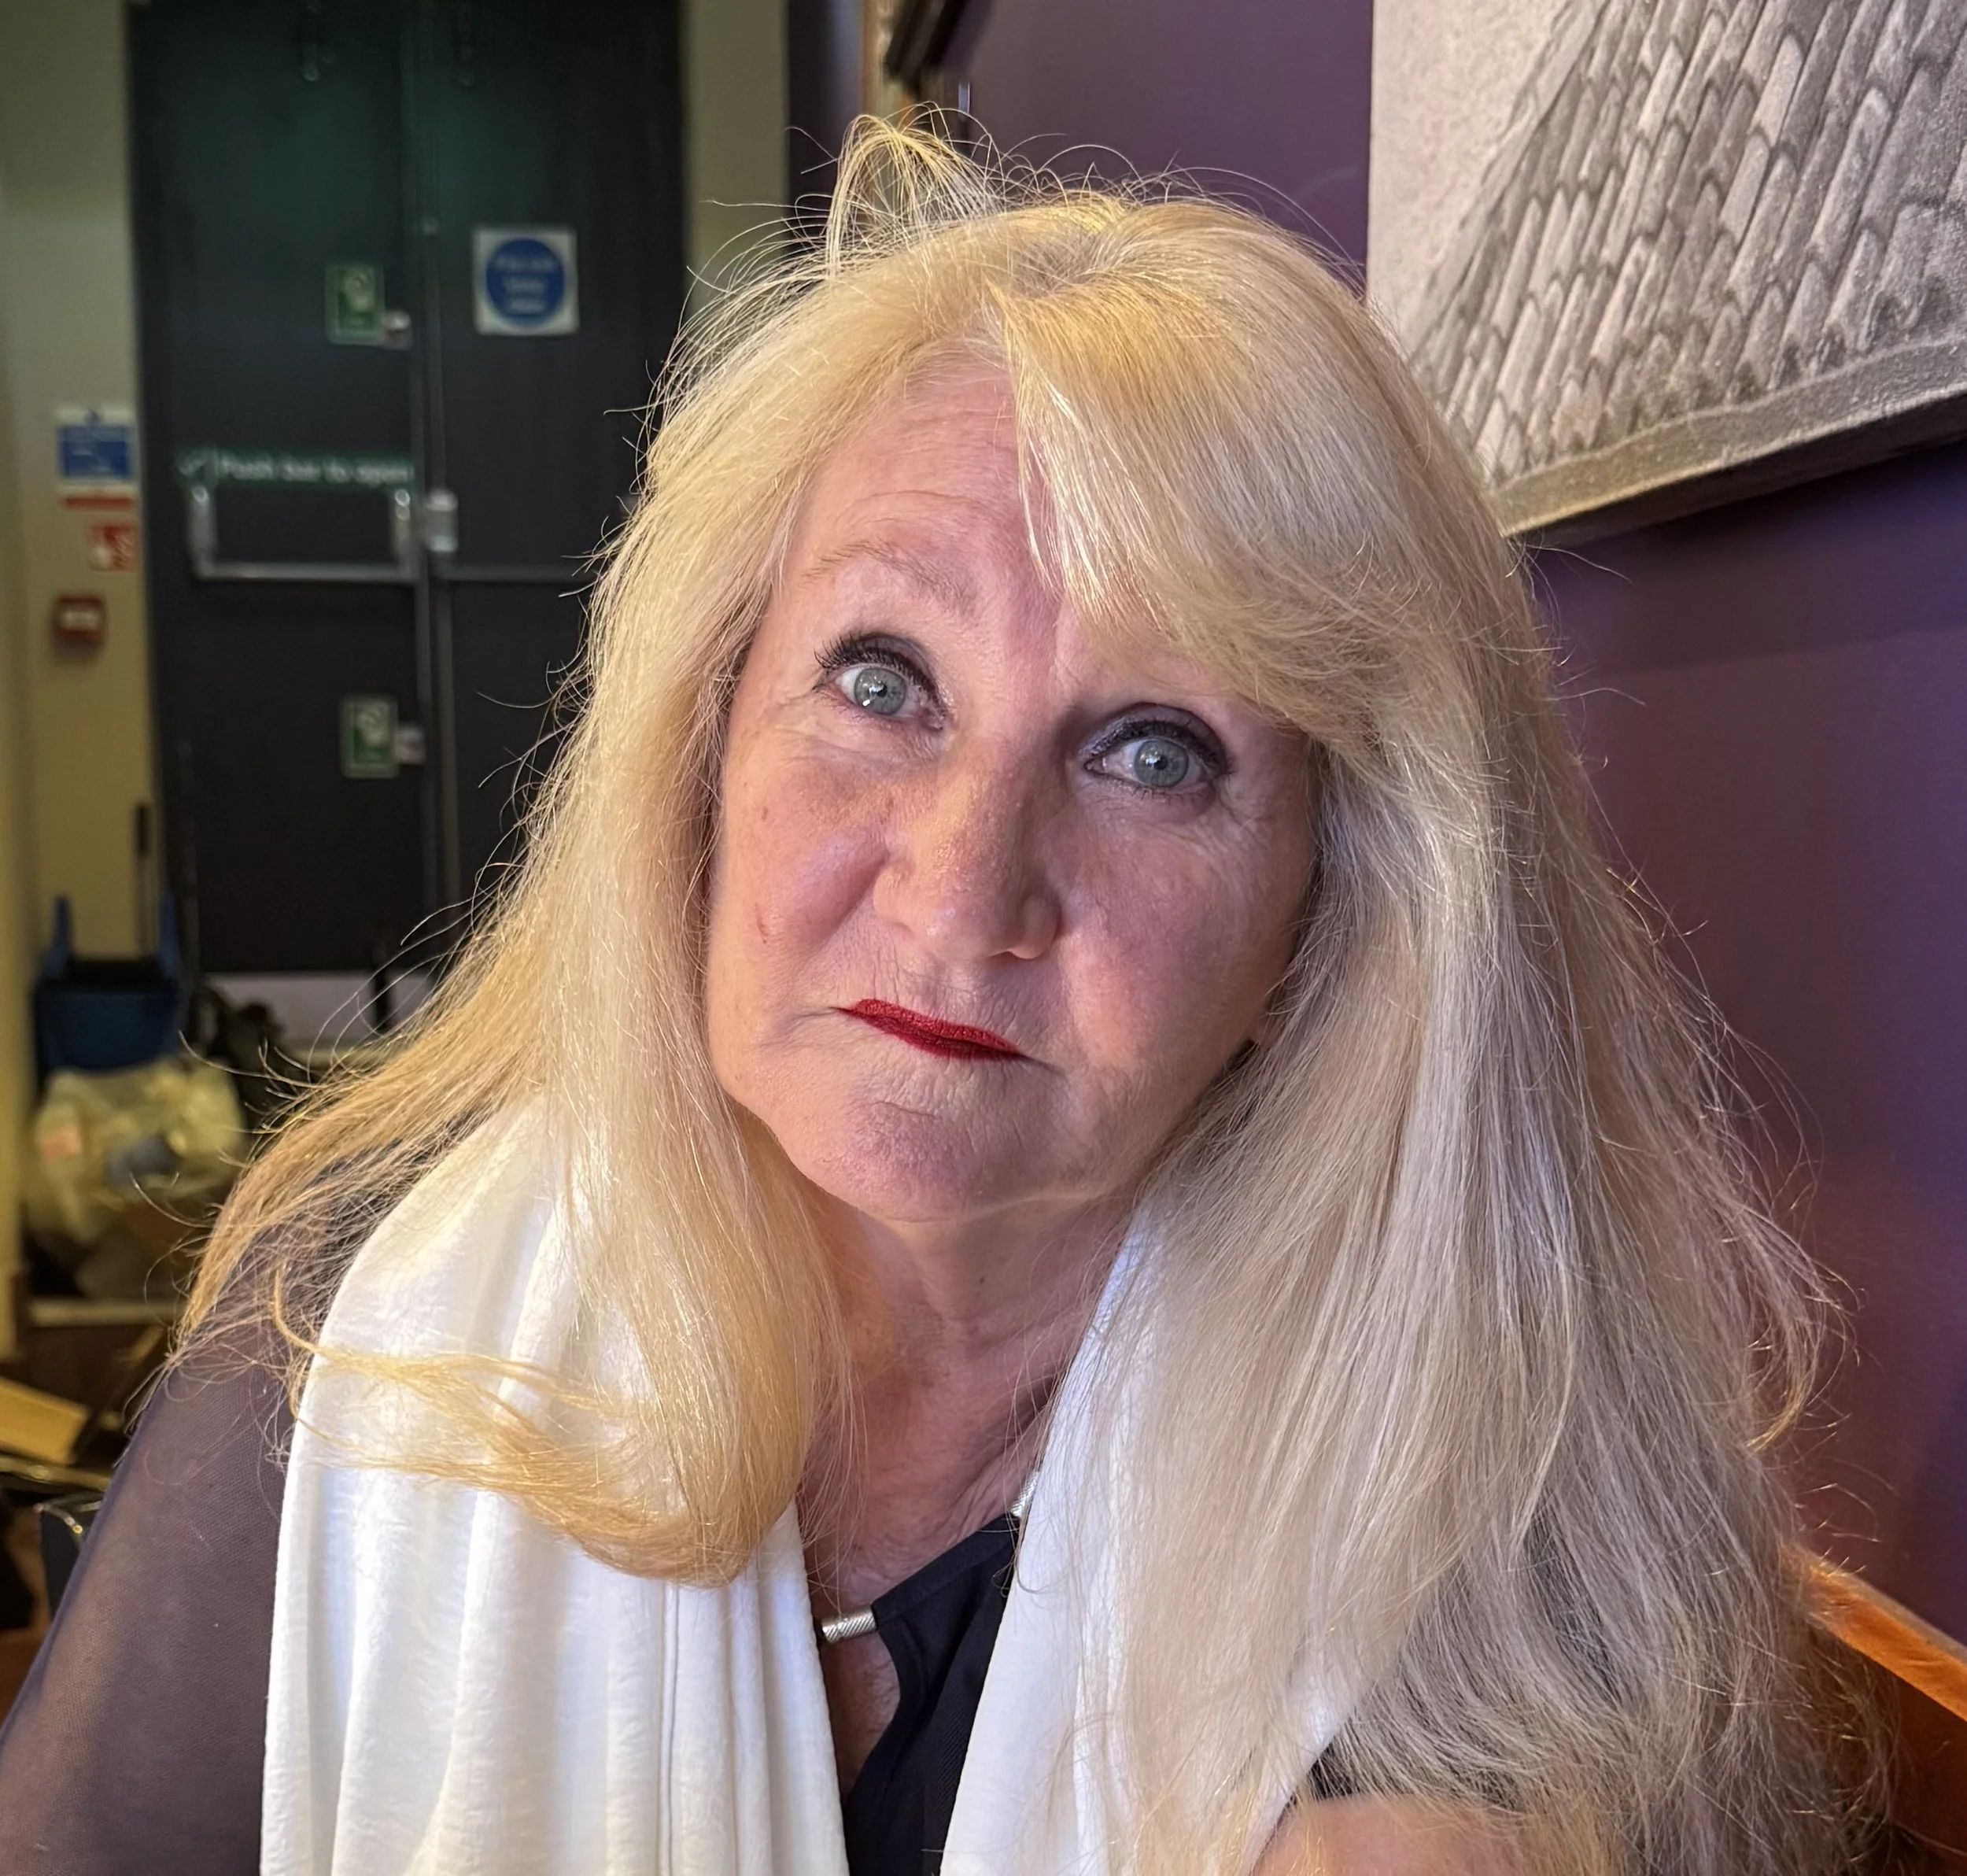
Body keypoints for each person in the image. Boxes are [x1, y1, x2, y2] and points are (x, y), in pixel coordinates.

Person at [0, 120, 1853, 1874]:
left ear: (1333, 911)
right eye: (882, 679)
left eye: (1152, 751)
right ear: (701, 746)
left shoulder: (1485, 1493)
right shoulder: (354, 1325)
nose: (963, 891)